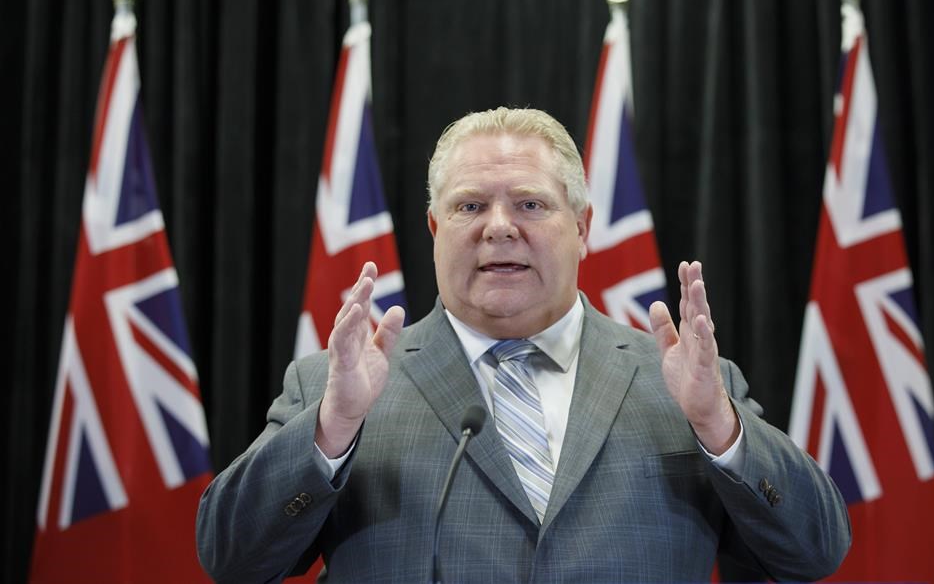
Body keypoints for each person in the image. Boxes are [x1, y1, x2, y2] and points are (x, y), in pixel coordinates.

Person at [196, 107, 850, 582]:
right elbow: (232, 558)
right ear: (434, 228)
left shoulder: (688, 385)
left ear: (583, 228)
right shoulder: (337, 389)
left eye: (531, 205)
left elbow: (815, 551)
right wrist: (332, 428)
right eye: (470, 206)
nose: (499, 228)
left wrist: (719, 428)